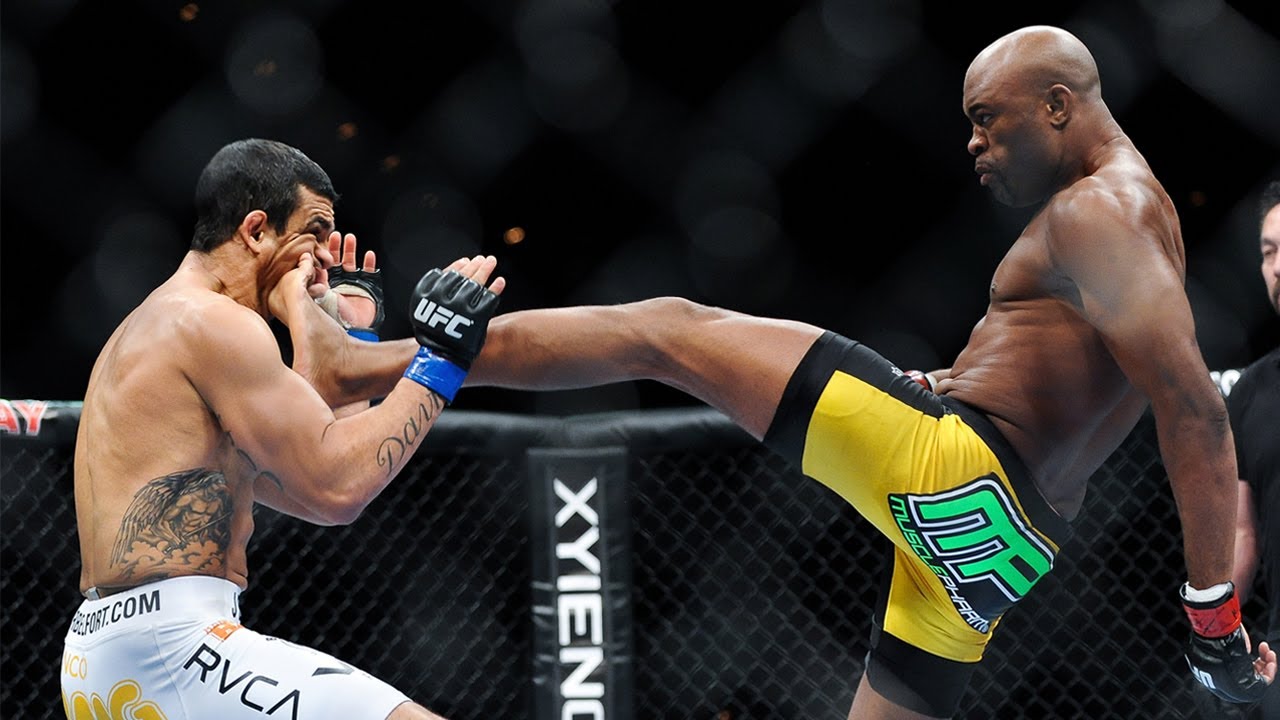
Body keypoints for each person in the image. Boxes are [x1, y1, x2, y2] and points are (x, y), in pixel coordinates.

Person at [461, 26, 1279, 718]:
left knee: (665, 330)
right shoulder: (1145, 212)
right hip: (1011, 546)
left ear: (1058, 106)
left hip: (952, 466)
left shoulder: (1098, 210)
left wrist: (1211, 610)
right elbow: (1095, 383)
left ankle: (404, 357)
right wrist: (957, 381)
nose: (974, 143)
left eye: (987, 119)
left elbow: (1195, 408)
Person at [61, 138, 505, 720]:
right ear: (255, 230)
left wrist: (349, 337)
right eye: (314, 234)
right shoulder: (212, 322)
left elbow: (316, 491)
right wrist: (443, 356)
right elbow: (338, 487)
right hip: (171, 644)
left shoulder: (154, 325)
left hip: (103, 655)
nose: (322, 260)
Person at [1230, 180, 1280, 718]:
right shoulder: (1250, 392)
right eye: (1269, 252)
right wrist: (1215, 626)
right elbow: (1244, 533)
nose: (1278, 267)